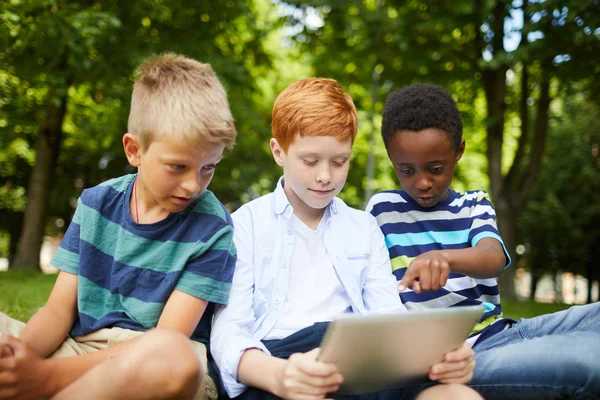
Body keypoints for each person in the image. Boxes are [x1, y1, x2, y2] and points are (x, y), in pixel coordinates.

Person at [211, 78, 482, 400]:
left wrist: (444, 356)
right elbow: (230, 330)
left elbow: (388, 317)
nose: (325, 175)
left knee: (457, 396)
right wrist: (278, 376)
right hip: (278, 364)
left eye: (340, 161)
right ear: (278, 152)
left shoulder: (363, 227)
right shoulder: (247, 225)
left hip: (358, 365)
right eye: (310, 161)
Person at [0, 52, 237, 400]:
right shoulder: (96, 203)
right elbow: (56, 311)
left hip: (151, 366)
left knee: (174, 356)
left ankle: (46, 388)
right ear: (134, 150)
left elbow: (168, 338)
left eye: (209, 168)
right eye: (177, 167)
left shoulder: (213, 228)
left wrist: (46, 376)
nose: (194, 185)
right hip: (78, 351)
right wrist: (20, 359)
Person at [367, 83, 600, 400]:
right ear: (391, 158)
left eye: (436, 168)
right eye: (406, 170)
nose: (422, 182)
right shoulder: (381, 211)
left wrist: (445, 258)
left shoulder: (474, 204)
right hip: (458, 362)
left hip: (500, 333)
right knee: (589, 361)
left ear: (458, 151)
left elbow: (492, 258)